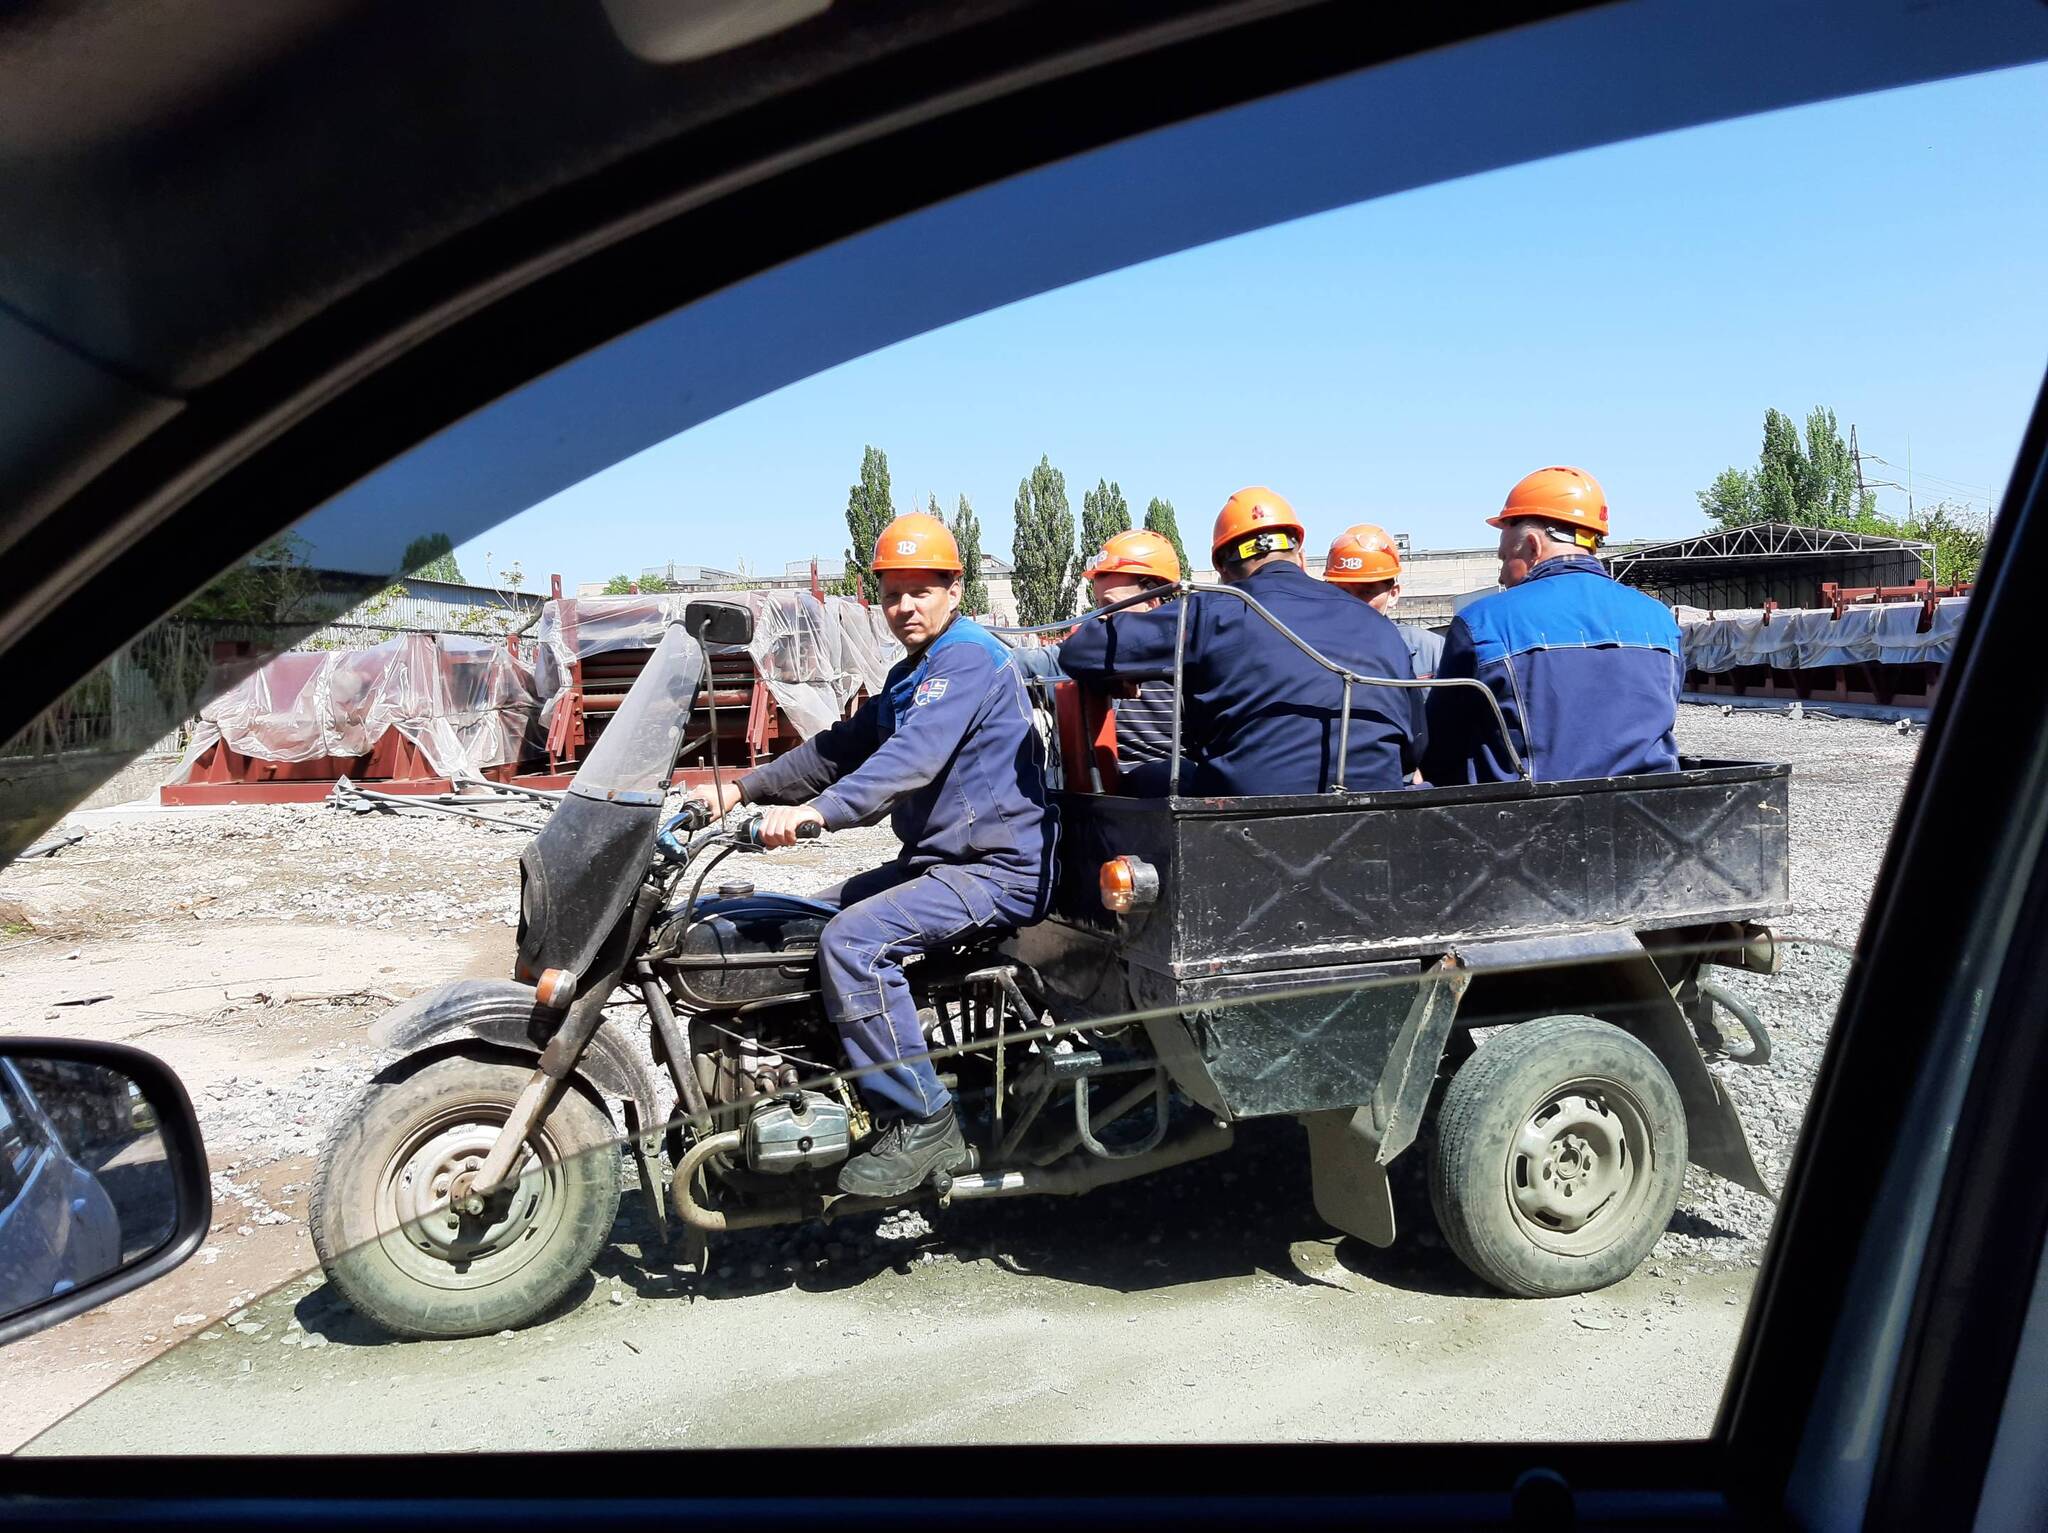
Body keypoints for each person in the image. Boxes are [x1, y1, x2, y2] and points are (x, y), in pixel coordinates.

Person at [689, 511, 1055, 1197]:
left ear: (955, 588)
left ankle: (924, 1117)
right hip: (939, 864)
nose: (904, 606)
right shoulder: (911, 672)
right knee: (795, 917)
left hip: (995, 870)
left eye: (921, 589)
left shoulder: (969, 657)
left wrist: (815, 816)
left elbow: (908, 761)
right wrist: (738, 791)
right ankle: (821, 1080)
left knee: (854, 940)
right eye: (892, 592)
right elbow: (838, 748)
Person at [1059, 486, 1423, 795]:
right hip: (1376, 808)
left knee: (1146, 776)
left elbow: (1080, 651)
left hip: (1246, 816)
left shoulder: (1215, 610)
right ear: (1299, 554)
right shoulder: (1380, 627)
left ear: (1221, 569)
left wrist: (1117, 673)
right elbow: (1415, 748)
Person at [1423, 465, 1682, 784]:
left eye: (1504, 558)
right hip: (1653, 817)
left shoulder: (1483, 622)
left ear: (1532, 544)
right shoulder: (1659, 619)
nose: (1502, 574)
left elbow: (1439, 750)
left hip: (1525, 823)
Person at [1012, 529, 1184, 774]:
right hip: (1113, 802)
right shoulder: (1087, 655)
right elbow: (1020, 665)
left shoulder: (1194, 658)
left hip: (1186, 798)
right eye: (1098, 607)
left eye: (1111, 606)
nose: (1101, 619)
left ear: (1153, 602)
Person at [1322, 523, 1446, 678]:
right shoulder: (1310, 651)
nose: (1353, 603)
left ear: (1393, 594)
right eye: (1343, 592)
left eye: (1366, 592)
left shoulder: (1431, 651)